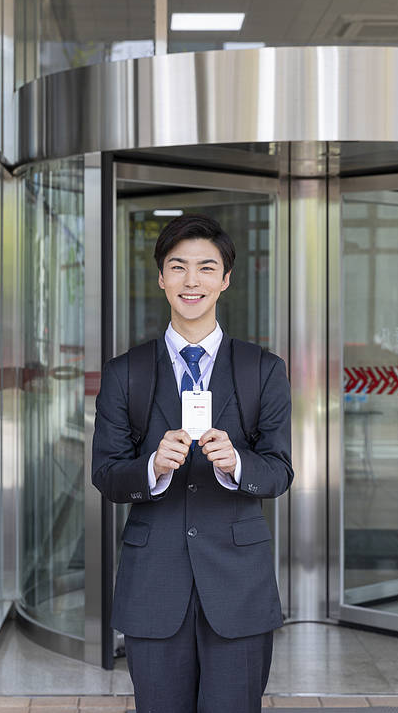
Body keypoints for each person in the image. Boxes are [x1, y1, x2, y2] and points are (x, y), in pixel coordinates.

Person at [92, 214, 293, 713]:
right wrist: (152, 468)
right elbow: (106, 474)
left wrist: (237, 465)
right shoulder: (126, 373)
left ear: (225, 279)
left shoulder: (262, 370)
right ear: (161, 277)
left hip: (238, 586)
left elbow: (279, 471)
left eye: (206, 268)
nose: (191, 280)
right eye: (178, 267)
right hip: (154, 583)